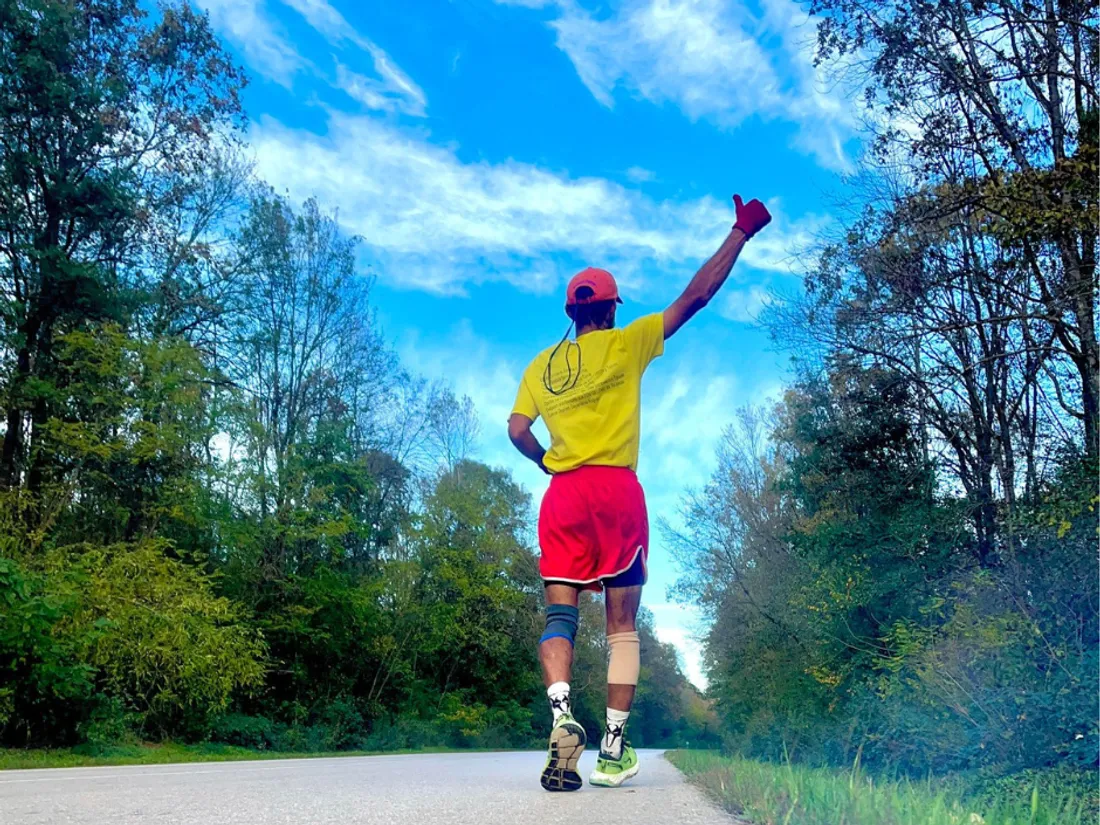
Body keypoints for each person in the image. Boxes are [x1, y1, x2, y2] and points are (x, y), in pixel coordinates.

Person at [508, 194, 773, 791]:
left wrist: (547, 460)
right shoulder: (629, 344)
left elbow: (516, 430)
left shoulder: (540, 367)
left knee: (559, 614)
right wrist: (740, 232)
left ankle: (559, 717)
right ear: (609, 308)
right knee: (622, 626)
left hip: (564, 495)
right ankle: (613, 750)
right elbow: (696, 297)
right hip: (617, 493)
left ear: (572, 314)